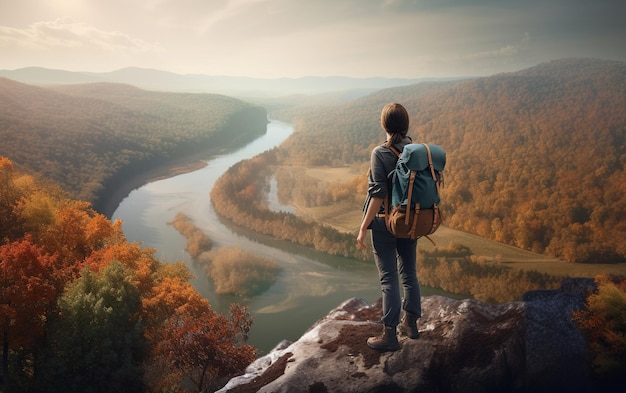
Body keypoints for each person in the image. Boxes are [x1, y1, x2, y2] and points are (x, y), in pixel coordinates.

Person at [357, 102, 421, 351]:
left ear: (384, 125)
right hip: (409, 220)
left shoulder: (380, 153)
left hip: (385, 222)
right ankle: (412, 325)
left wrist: (364, 227)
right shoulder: (415, 150)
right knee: (409, 274)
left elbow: (378, 194)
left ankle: (390, 335)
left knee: (388, 278)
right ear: (406, 125)